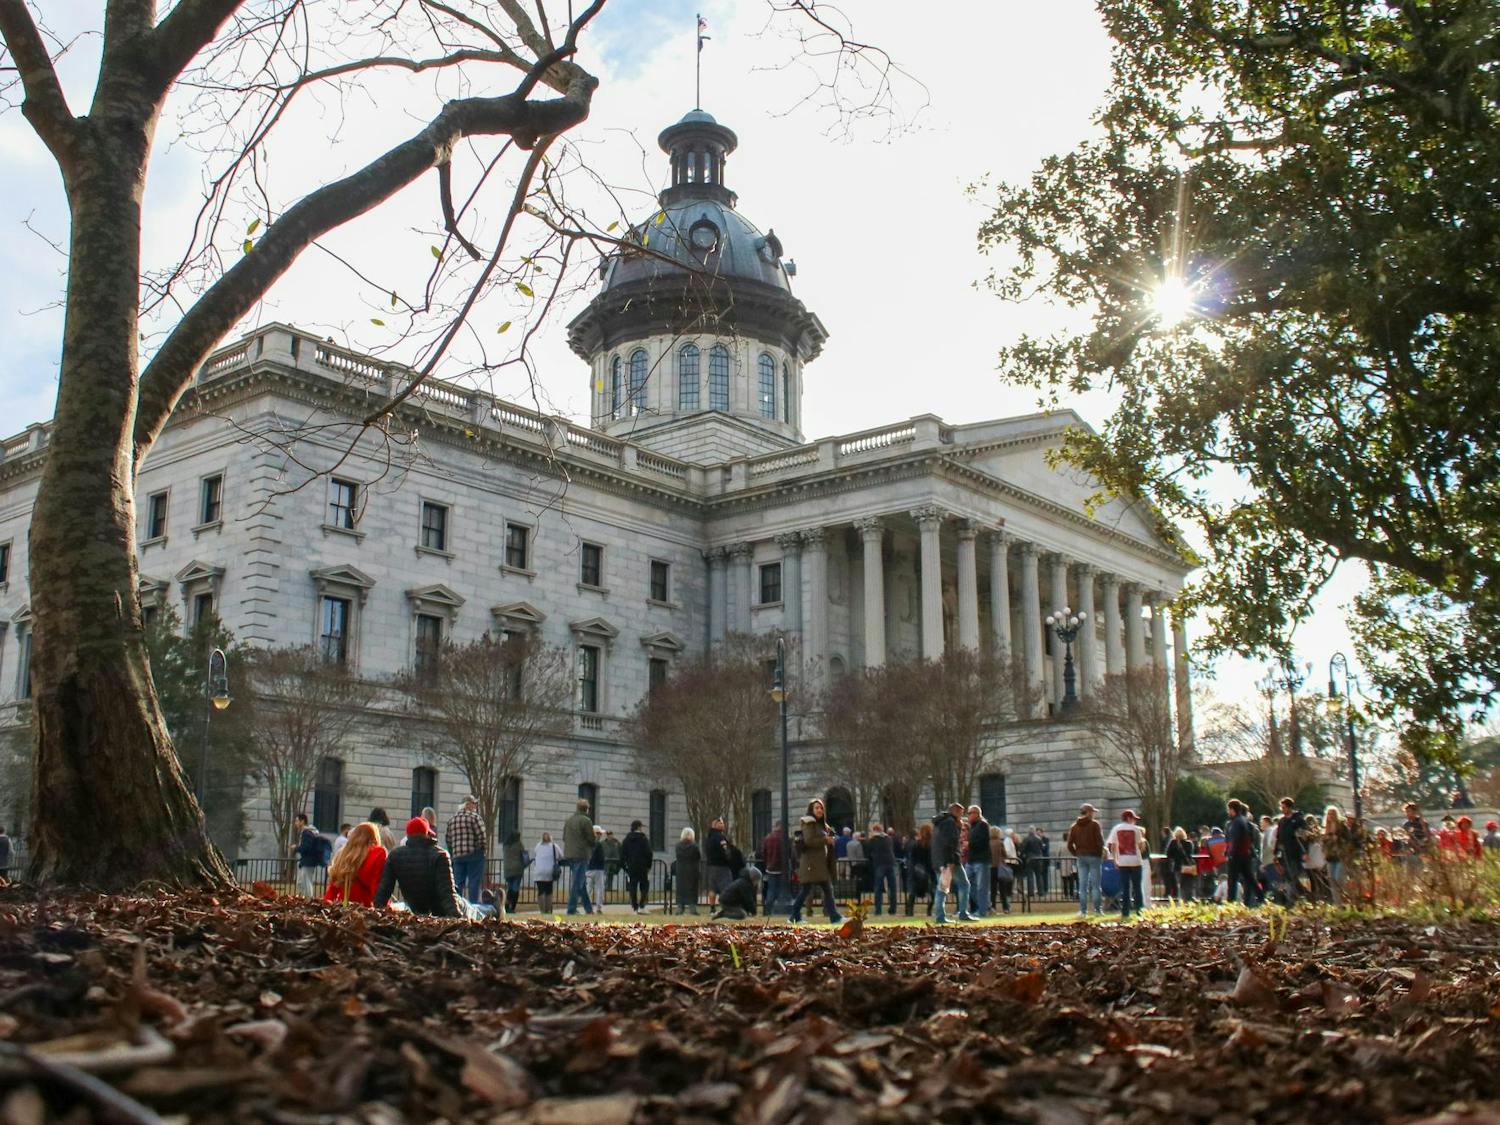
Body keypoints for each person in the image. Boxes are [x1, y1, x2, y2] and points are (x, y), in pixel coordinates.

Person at [375, 816, 490, 919]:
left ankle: (491, 905)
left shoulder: (395, 856)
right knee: (473, 911)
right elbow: (447, 892)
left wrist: (376, 912)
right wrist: (456, 917)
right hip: (444, 909)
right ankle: (493, 908)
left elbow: (384, 890)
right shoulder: (439, 854)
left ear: (408, 835)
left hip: (418, 909)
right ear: (426, 833)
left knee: (472, 907)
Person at [789, 798, 843, 925]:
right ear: (811, 810)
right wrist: (826, 840)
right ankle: (794, 915)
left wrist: (830, 839)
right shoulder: (809, 823)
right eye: (816, 808)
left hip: (819, 864)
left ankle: (834, 917)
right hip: (811, 864)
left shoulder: (821, 825)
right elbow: (809, 840)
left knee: (827, 889)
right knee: (806, 890)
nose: (819, 810)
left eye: (821, 808)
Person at [931, 802, 975, 924]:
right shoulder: (949, 823)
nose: (962, 815)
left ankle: (941, 915)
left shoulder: (940, 823)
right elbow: (950, 843)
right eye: (961, 812)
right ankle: (962, 913)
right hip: (949, 860)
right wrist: (950, 860)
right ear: (956, 811)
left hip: (939, 859)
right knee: (963, 885)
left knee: (942, 887)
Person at [324, 823, 388, 906]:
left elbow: (332, 891)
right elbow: (376, 886)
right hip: (366, 908)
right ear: (374, 837)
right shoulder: (377, 853)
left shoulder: (342, 855)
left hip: (344, 909)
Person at [445, 795, 487, 905]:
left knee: (458, 883)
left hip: (457, 856)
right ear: (468, 804)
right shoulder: (475, 817)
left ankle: (457, 906)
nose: (475, 806)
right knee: (474, 882)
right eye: (474, 803)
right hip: (474, 855)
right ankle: (473, 906)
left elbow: (448, 840)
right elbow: (482, 837)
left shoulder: (451, 820)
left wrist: (453, 852)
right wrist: (482, 849)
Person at [1104, 809, 1145, 919]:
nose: (1134, 821)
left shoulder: (1116, 829)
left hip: (1123, 862)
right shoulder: (1136, 829)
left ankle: (1125, 912)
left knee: (1125, 888)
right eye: (1133, 819)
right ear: (1129, 818)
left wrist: (1115, 860)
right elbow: (1140, 844)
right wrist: (1138, 852)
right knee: (1137, 888)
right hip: (1135, 861)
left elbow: (1112, 846)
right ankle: (1139, 910)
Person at [1065, 803, 1105, 915]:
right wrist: (1099, 853)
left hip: (1081, 857)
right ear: (1088, 812)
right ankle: (1097, 909)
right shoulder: (1095, 825)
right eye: (1092, 812)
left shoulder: (1074, 827)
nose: (1093, 814)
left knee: (1082, 885)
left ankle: (1083, 910)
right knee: (1096, 885)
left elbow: (1069, 845)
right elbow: (1100, 842)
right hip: (1094, 856)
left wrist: (1076, 853)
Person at [562, 797, 595, 915]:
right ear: (587, 809)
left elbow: (564, 837)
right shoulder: (586, 820)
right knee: (577, 883)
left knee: (580, 882)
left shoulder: (569, 820)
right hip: (581, 854)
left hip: (569, 854)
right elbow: (591, 839)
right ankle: (571, 909)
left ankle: (588, 909)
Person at [1224, 800, 1258, 906]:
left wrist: (1231, 852)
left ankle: (1233, 901)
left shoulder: (1237, 823)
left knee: (1235, 879)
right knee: (1248, 878)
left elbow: (1236, 839)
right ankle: (1257, 898)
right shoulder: (1237, 823)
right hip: (1244, 854)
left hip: (1239, 854)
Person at [1274, 797, 1306, 903]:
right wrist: (1276, 853)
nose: (1282, 809)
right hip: (1284, 853)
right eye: (1281, 807)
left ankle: (1296, 898)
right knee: (1287, 877)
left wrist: (1304, 852)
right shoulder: (1282, 821)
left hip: (1295, 853)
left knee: (1294, 875)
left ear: (1289, 807)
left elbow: (1302, 837)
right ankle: (1295, 898)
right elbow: (1278, 837)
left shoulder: (1298, 820)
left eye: (1284, 807)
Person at [619, 820, 654, 913]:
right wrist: (649, 865)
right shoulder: (643, 839)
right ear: (638, 827)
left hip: (631, 866)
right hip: (642, 866)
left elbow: (622, 854)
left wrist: (625, 866)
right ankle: (642, 905)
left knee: (632, 886)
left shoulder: (627, 839)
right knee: (644, 885)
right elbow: (649, 853)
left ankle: (634, 906)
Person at [964, 806, 991, 918]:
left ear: (976, 813)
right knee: (968, 884)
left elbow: (982, 841)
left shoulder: (983, 825)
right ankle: (980, 907)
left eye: (970, 813)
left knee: (981, 887)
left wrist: (969, 845)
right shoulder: (972, 827)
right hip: (971, 860)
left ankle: (982, 910)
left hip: (981, 860)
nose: (968, 815)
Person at [292, 812, 328, 897]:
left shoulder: (307, 833)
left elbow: (306, 848)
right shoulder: (308, 832)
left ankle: (309, 900)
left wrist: (296, 848)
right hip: (308, 861)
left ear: (302, 821)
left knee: (306, 882)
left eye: (297, 821)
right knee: (302, 882)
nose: (296, 823)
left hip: (308, 861)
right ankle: (305, 898)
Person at [866, 822, 898, 916]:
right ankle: (893, 909)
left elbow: (868, 853)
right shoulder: (888, 838)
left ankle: (878, 910)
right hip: (891, 863)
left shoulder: (873, 840)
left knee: (878, 888)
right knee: (892, 887)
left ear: (874, 830)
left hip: (879, 864)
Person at [905, 822, 934, 916]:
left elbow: (912, 858)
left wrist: (912, 868)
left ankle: (910, 912)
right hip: (928, 870)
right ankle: (929, 911)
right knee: (931, 892)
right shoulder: (932, 844)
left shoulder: (916, 844)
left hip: (916, 870)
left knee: (912, 892)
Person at [532, 831, 563, 914]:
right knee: (549, 891)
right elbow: (561, 856)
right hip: (549, 871)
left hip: (539, 871)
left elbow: (534, 854)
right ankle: (548, 910)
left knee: (541, 891)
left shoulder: (538, 846)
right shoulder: (554, 846)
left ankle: (542, 910)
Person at [761, 822, 788, 913]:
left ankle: (768, 909)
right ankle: (780, 909)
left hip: (770, 868)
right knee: (781, 889)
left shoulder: (767, 838)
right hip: (781, 867)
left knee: (771, 889)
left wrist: (767, 864)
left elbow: (763, 853)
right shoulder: (783, 838)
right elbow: (788, 852)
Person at [703, 817, 731, 903]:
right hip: (722, 866)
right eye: (721, 823)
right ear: (715, 824)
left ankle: (712, 908)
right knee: (725, 887)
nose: (723, 825)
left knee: (712, 888)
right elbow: (725, 851)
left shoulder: (708, 838)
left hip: (711, 866)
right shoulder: (720, 837)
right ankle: (725, 906)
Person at [500, 831, 529, 914]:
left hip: (507, 870)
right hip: (517, 869)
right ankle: (512, 906)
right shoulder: (519, 844)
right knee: (515, 888)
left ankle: (506, 905)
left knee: (510, 887)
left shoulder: (505, 845)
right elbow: (524, 855)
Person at [674, 827, 702, 914]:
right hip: (692, 869)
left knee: (680, 889)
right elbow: (698, 857)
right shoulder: (694, 846)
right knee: (692, 888)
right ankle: (692, 908)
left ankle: (680, 907)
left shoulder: (678, 846)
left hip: (680, 869)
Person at [1164, 827, 1194, 902]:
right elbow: (1190, 855)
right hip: (1188, 866)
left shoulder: (1172, 843)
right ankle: (1188, 900)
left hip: (1177, 867)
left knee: (1180, 884)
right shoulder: (1189, 843)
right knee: (1188, 884)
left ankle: (1182, 900)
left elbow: (1168, 854)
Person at [991, 824, 1016, 913]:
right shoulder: (1000, 842)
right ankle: (1005, 908)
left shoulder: (988, 843)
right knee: (1002, 889)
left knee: (993, 889)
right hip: (1000, 867)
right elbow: (1004, 854)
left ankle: (992, 907)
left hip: (991, 867)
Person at [1019, 827, 1046, 897]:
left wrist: (1022, 855)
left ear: (1028, 832)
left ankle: (1031, 893)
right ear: (1034, 832)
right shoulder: (1039, 839)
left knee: (1030, 876)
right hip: (1039, 858)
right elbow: (1042, 848)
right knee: (1039, 876)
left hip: (1030, 859)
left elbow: (1022, 849)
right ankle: (1041, 892)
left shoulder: (1026, 839)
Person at [587, 826, 608, 913]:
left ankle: (587, 906)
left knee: (588, 888)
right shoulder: (598, 844)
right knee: (599, 888)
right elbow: (601, 857)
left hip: (589, 868)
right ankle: (598, 907)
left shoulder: (587, 842)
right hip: (598, 869)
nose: (600, 835)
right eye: (599, 833)